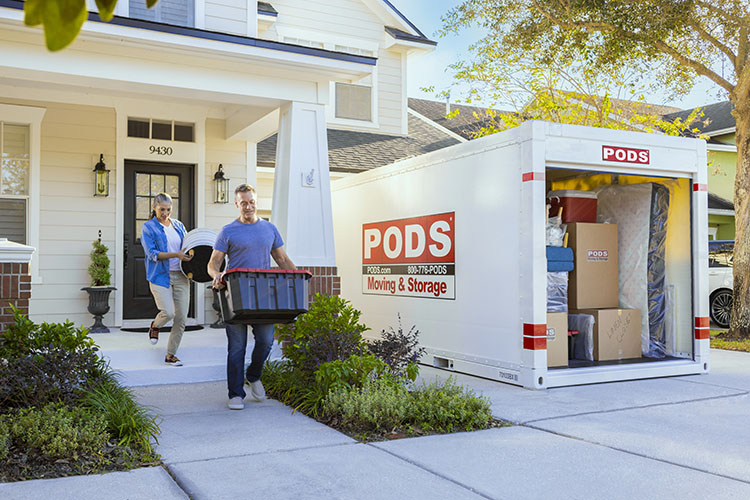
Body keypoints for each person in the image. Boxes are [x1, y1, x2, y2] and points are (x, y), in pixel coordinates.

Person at [208, 184, 296, 410]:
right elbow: (213, 263)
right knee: (237, 347)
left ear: (257, 202)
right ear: (237, 204)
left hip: (262, 295)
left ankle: (253, 375)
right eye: (243, 202)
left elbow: (282, 260)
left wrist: (299, 279)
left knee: (266, 341)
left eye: (252, 201)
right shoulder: (228, 231)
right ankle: (235, 393)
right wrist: (216, 275)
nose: (248, 206)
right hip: (235, 295)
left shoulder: (269, 229)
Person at [140, 192, 193, 367]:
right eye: (162, 209)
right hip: (160, 275)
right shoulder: (148, 227)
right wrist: (175, 254)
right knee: (168, 313)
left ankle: (171, 354)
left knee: (181, 318)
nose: (165, 213)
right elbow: (152, 254)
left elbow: (187, 245)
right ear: (154, 208)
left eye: (168, 209)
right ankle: (155, 326)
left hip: (181, 275)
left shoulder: (178, 225)